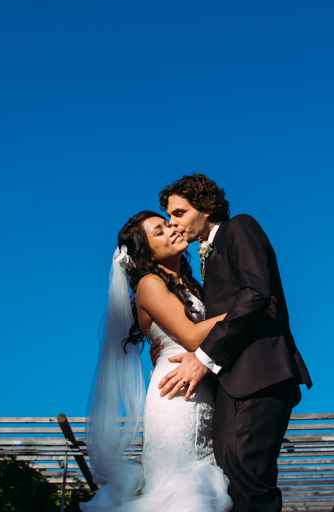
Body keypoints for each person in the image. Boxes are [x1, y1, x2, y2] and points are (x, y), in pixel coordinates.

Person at [157, 174, 311, 512]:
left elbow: (257, 293)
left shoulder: (240, 227)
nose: (173, 223)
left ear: (207, 207)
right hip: (231, 380)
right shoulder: (207, 253)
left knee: (249, 480)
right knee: (230, 481)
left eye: (179, 213)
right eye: (170, 216)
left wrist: (204, 356)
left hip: (258, 373)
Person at [82, 211, 232, 512]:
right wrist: (246, 311)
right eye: (159, 232)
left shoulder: (187, 282)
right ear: (146, 252)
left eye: (168, 224)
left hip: (198, 385)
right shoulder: (149, 284)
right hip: (176, 396)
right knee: (180, 490)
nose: (172, 229)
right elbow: (190, 336)